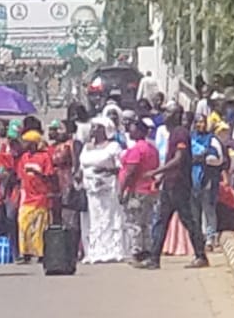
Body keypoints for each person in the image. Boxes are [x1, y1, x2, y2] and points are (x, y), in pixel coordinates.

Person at [138, 105, 209, 270]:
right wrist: (161, 178)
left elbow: (178, 159)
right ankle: (154, 258)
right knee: (161, 221)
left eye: (168, 112)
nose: (164, 114)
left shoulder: (180, 133)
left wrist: (156, 171)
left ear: (176, 114)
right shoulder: (171, 133)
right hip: (169, 183)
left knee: (188, 221)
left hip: (179, 185)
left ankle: (201, 255)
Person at [78, 119, 125, 263]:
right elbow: (81, 166)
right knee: (93, 219)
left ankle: (111, 251)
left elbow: (121, 167)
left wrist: (104, 170)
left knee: (108, 218)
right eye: (92, 127)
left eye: (96, 127)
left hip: (107, 188)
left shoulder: (113, 147)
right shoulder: (86, 147)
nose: (92, 129)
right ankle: (94, 251)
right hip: (90, 189)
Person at [119, 118, 159, 261]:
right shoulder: (152, 149)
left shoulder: (136, 150)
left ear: (141, 132)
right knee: (146, 222)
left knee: (134, 222)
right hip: (150, 190)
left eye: (133, 128)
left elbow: (130, 172)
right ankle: (147, 249)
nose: (130, 131)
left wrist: (122, 190)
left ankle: (137, 251)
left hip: (137, 190)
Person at [15, 130, 54, 262]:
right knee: (23, 224)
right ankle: (25, 252)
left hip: (40, 197)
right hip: (27, 197)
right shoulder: (24, 157)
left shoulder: (44, 157)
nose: (23, 144)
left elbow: (49, 175)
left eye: (26, 142)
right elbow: (20, 177)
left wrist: (37, 173)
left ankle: (40, 253)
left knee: (39, 227)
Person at [189, 114, 225, 251]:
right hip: (192, 179)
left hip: (207, 179)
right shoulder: (190, 138)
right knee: (194, 212)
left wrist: (204, 158)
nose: (200, 125)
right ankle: (199, 239)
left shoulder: (212, 139)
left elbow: (219, 158)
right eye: (197, 122)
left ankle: (210, 238)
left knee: (208, 208)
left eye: (202, 122)